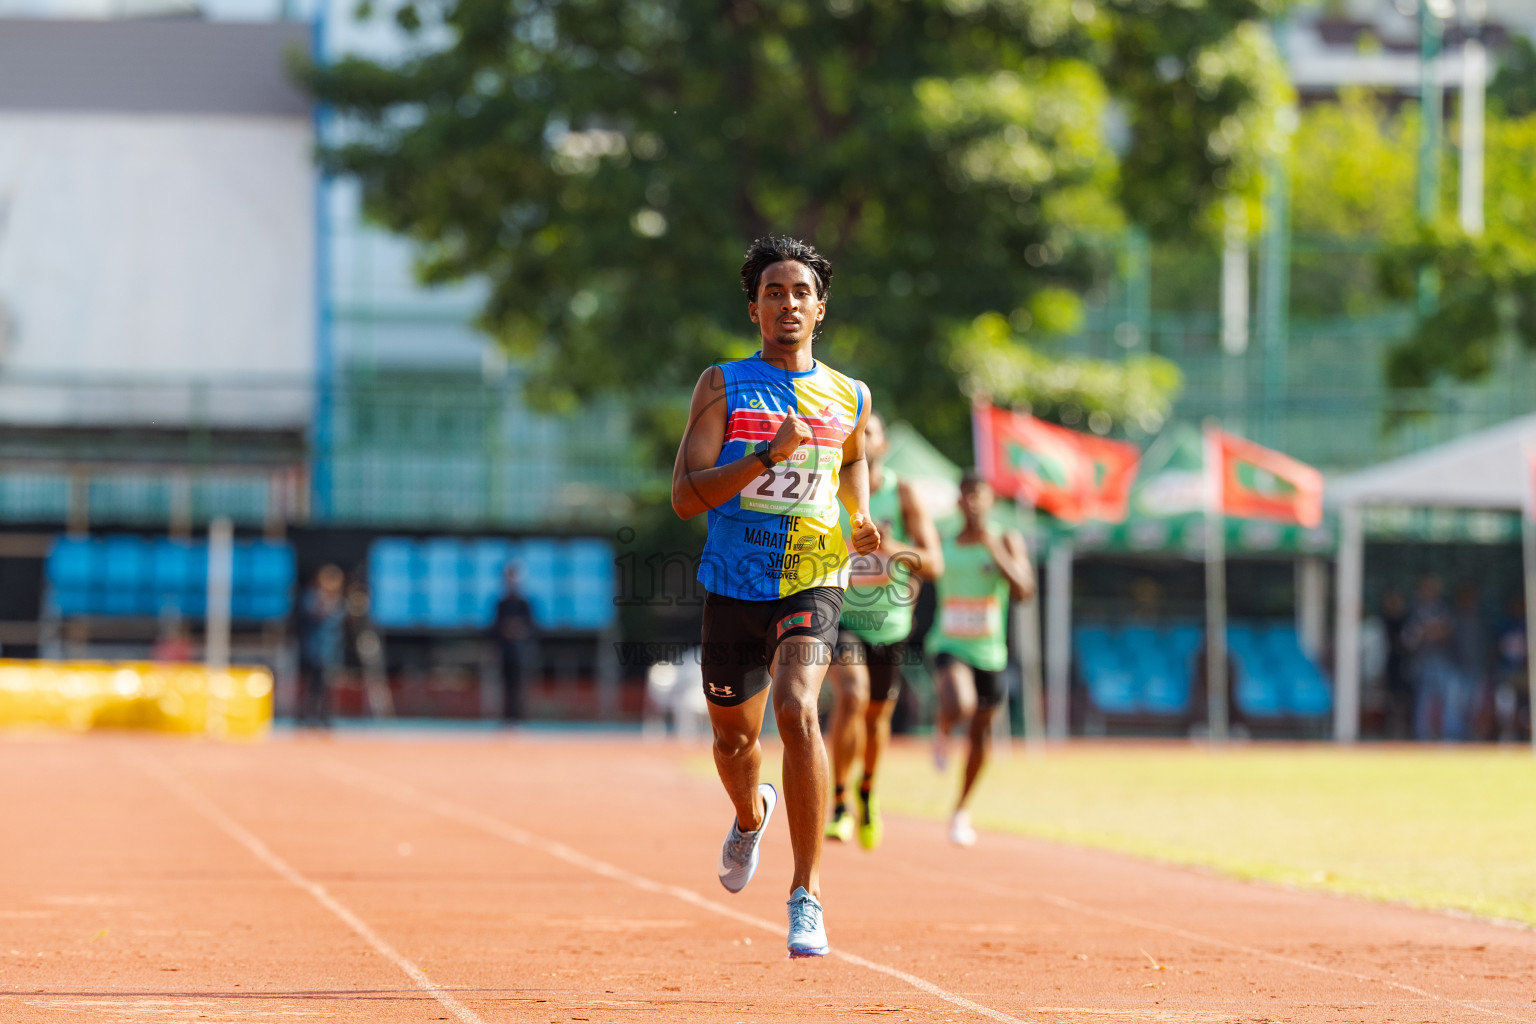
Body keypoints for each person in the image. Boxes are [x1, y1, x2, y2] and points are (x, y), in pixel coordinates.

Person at [671, 236, 879, 959]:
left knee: (797, 709)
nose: (787, 303)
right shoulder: (721, 386)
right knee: (735, 742)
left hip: (813, 576)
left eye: (800, 293)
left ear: (820, 309)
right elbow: (684, 497)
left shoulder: (851, 394)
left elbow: (852, 462)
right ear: (754, 308)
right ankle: (749, 815)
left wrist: (860, 516)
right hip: (733, 583)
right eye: (773, 292)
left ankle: (806, 894)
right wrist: (764, 456)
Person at [824, 409, 943, 850]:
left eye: (868, 431)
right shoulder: (829, 489)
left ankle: (867, 791)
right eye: (854, 431)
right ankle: (839, 804)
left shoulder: (902, 493)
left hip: (890, 624)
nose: (860, 436)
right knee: (851, 694)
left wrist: (888, 545)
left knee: (876, 717)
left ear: (882, 445)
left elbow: (934, 564)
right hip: (842, 616)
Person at [926, 472, 1034, 846]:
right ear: (958, 502)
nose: (973, 502)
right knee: (961, 703)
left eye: (980, 495)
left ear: (991, 501)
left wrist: (995, 551)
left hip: (990, 651)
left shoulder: (1006, 539)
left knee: (980, 734)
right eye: (967, 495)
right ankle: (943, 728)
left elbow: (1024, 591)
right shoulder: (944, 542)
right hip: (949, 643)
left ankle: (960, 810)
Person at [1403, 574, 1456, 740]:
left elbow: (1447, 632)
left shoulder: (1443, 608)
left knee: (1449, 701)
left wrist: (1428, 631)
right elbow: (1410, 637)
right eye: (1426, 587)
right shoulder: (1414, 610)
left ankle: (1450, 738)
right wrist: (1431, 631)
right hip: (1421, 663)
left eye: (1432, 587)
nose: (1429, 591)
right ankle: (1422, 738)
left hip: (1443, 661)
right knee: (1423, 701)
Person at [297, 564, 347, 726]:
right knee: (311, 685)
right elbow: (312, 613)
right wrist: (322, 601)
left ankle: (326, 717)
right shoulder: (310, 597)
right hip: (312, 649)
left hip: (331, 650)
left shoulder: (340, 601)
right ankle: (306, 716)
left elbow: (339, 618)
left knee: (328, 685)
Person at [491, 564, 537, 723]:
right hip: (505, 650)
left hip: (520, 650)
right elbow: (494, 628)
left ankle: (519, 717)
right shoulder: (501, 603)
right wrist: (505, 631)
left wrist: (518, 630)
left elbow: (532, 627)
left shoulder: (525, 603)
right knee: (505, 685)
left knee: (520, 685)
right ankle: (507, 718)